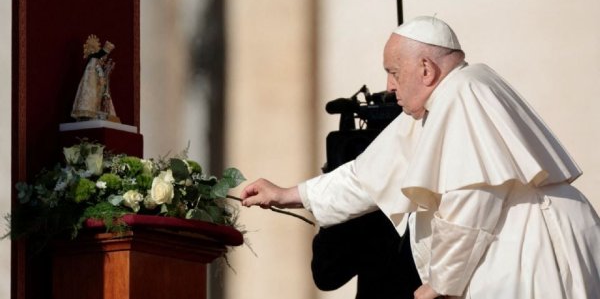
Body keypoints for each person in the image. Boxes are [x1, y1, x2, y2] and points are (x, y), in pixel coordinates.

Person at [240, 16, 600, 298]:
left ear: (426, 69)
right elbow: (366, 177)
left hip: (532, 245)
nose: (389, 87)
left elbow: (470, 201)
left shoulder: (463, 94)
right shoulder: (439, 103)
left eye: (394, 73)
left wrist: (443, 282)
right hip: (525, 240)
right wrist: (287, 194)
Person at [72, 34, 120, 122]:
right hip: (93, 86)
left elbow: (101, 75)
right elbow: (90, 79)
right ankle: (88, 113)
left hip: (99, 87)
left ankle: (98, 112)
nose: (104, 59)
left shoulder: (98, 63)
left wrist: (104, 81)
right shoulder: (93, 61)